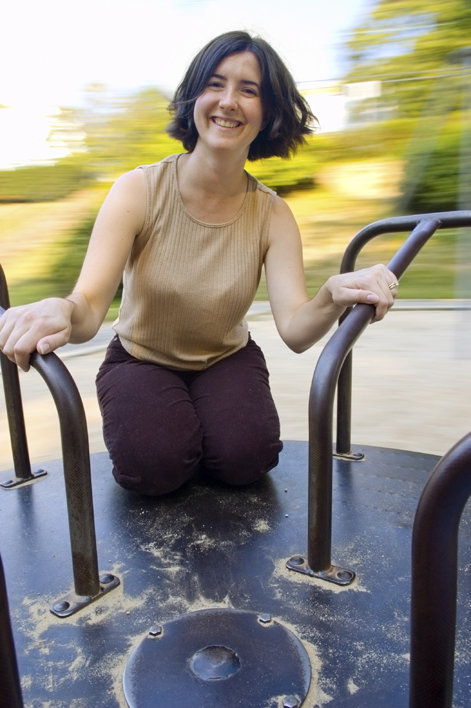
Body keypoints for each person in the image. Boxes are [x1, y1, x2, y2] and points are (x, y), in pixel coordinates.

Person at [0, 31, 398, 496]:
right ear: (194, 97)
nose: (229, 101)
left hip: (226, 358)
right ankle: (176, 436)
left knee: (248, 460)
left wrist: (330, 294)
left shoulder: (273, 214)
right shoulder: (138, 190)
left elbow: (294, 330)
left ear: (267, 113)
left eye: (248, 90)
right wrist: (62, 309)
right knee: (154, 469)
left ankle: (203, 432)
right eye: (215, 83)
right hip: (140, 358)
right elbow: (88, 308)